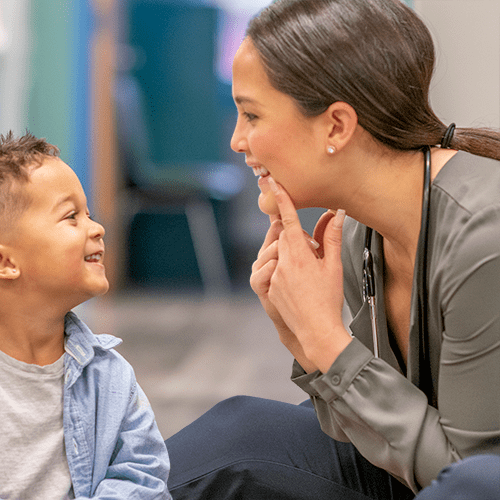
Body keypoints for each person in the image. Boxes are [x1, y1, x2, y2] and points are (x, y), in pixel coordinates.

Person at [165, 0, 500, 499]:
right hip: (433, 474)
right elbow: (379, 431)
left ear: (337, 126)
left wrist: (327, 342)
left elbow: (466, 478)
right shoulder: (359, 234)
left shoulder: (484, 236)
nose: (237, 140)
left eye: (252, 114)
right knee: (240, 433)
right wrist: (303, 338)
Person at [0, 131, 172, 499]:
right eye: (71, 217)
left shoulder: (109, 377)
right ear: (6, 261)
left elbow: (142, 475)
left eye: (89, 214)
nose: (97, 228)